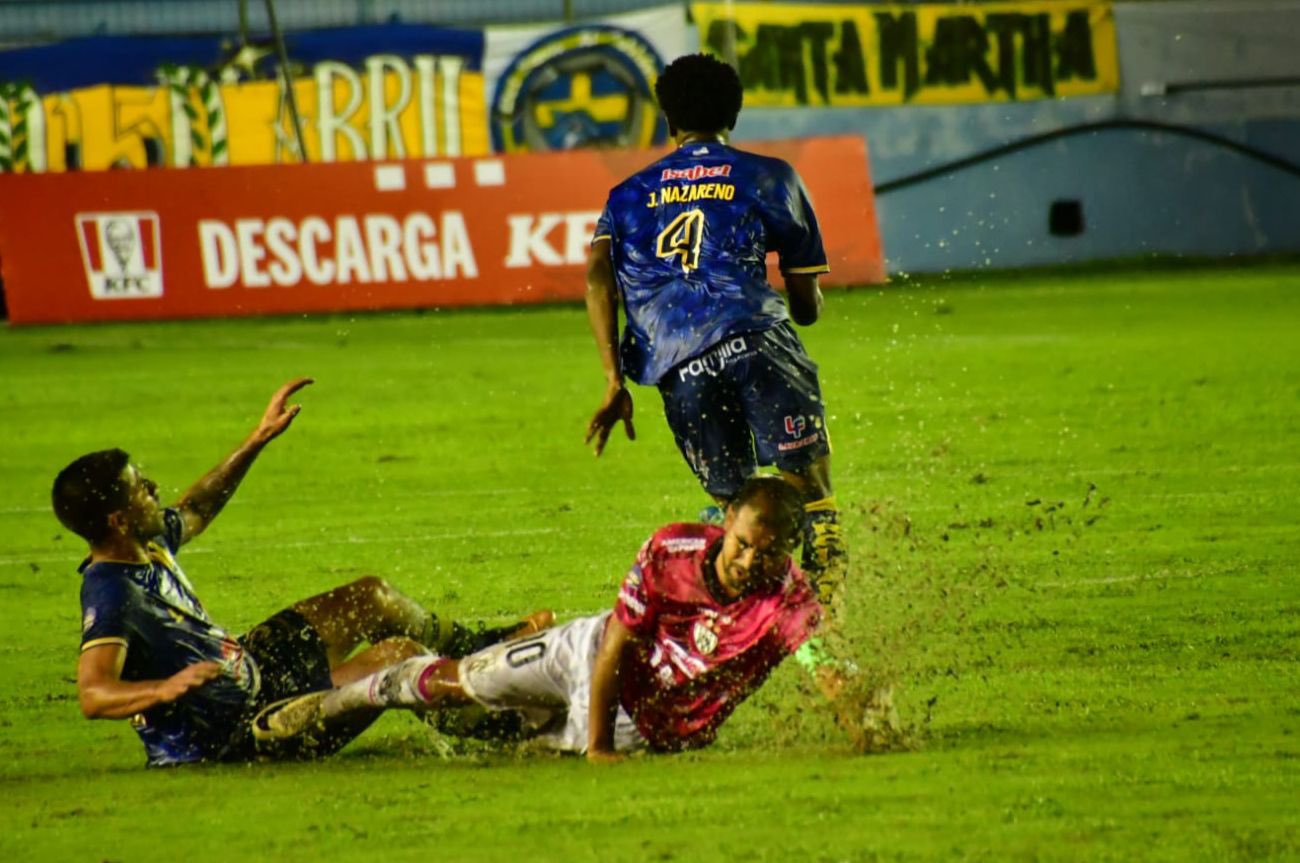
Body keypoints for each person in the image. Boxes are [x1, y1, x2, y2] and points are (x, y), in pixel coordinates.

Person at [54, 378, 549, 767]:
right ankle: (525, 731)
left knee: (372, 596)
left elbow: (198, 505)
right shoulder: (111, 592)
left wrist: (256, 439)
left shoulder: (147, 541)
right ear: (118, 519)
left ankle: (480, 646)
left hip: (253, 667)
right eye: (141, 487)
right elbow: (94, 693)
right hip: (237, 733)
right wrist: (163, 689)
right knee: (399, 658)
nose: (154, 487)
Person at [253, 475, 830, 761]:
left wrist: (857, 708)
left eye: (769, 553)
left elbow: (817, 658)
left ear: (787, 554)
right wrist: (597, 747)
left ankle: (424, 677)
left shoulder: (786, 605)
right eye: (744, 543)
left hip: (646, 725)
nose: (750, 561)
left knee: (507, 739)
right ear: (726, 519)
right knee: (464, 684)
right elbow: (616, 645)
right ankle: (336, 703)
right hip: (589, 655)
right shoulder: (670, 550)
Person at [582, 53, 846, 600]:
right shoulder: (771, 175)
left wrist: (614, 380)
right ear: (735, 114)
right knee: (812, 495)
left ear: (668, 121)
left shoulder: (627, 194)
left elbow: (596, 278)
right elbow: (806, 305)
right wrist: (804, 302)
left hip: (681, 367)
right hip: (758, 343)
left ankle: (766, 619)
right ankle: (830, 615)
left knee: (737, 513)